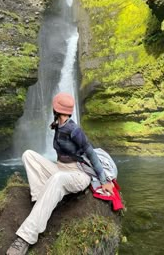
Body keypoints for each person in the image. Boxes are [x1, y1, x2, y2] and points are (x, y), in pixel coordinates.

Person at [6, 92, 114, 255]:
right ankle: (40, 199)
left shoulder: (74, 129)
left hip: (78, 174)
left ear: (56, 109)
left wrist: (104, 180)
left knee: (57, 178)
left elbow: (90, 153)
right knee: (28, 155)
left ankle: (26, 237)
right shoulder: (58, 124)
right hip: (61, 169)